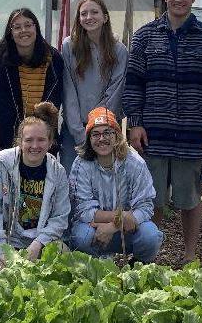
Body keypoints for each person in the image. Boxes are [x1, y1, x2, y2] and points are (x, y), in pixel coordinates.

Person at [122, 0, 202, 266]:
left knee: (189, 199)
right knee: (152, 199)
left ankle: (190, 254)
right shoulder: (144, 36)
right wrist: (135, 123)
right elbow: (133, 84)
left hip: (192, 135)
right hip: (153, 134)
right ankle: (150, 254)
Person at [0, 102, 71, 270]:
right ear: (20, 142)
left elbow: (60, 217)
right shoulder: (1, 165)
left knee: (64, 263)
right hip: (6, 243)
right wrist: (3, 250)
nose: (35, 146)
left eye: (41, 140)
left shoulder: (58, 172)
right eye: (29, 140)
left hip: (42, 243)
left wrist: (38, 245)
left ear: (50, 143)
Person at [68, 107, 164, 263]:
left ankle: (139, 267)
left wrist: (113, 226)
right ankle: (96, 266)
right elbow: (83, 211)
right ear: (88, 139)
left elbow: (145, 207)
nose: (101, 139)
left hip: (128, 230)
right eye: (95, 134)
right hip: (95, 229)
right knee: (81, 237)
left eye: (107, 133)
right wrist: (124, 216)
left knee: (150, 236)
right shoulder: (81, 164)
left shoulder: (135, 162)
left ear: (117, 135)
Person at [60, 0, 128, 171]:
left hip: (106, 128)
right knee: (71, 178)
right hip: (74, 130)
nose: (89, 17)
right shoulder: (69, 46)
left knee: (106, 178)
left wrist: (97, 127)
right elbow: (68, 91)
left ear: (105, 17)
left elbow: (115, 92)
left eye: (94, 12)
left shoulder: (119, 50)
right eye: (84, 14)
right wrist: (79, 133)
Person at [0, 8, 65, 150]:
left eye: (28, 25)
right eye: (17, 27)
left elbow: (55, 100)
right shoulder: (0, 61)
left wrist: (42, 131)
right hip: (13, 134)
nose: (23, 30)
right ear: (10, 33)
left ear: (36, 28)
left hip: (45, 132)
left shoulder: (54, 58)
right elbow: (2, 104)